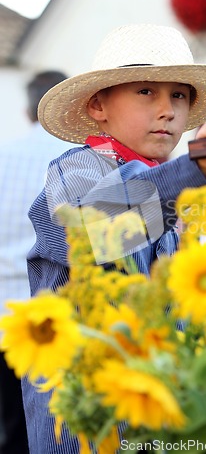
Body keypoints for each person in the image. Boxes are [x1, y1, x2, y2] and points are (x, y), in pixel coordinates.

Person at [22, 24, 206, 453]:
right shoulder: (75, 171)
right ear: (98, 106)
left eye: (179, 95)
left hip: (163, 411)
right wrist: (197, 169)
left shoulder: (192, 191)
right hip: (89, 419)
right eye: (146, 92)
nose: (168, 110)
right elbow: (98, 233)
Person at [0, 71, 76, 454]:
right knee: (56, 433)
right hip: (57, 322)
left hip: (3, 317)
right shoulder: (77, 161)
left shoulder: (3, 157)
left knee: (10, 432)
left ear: (27, 110)